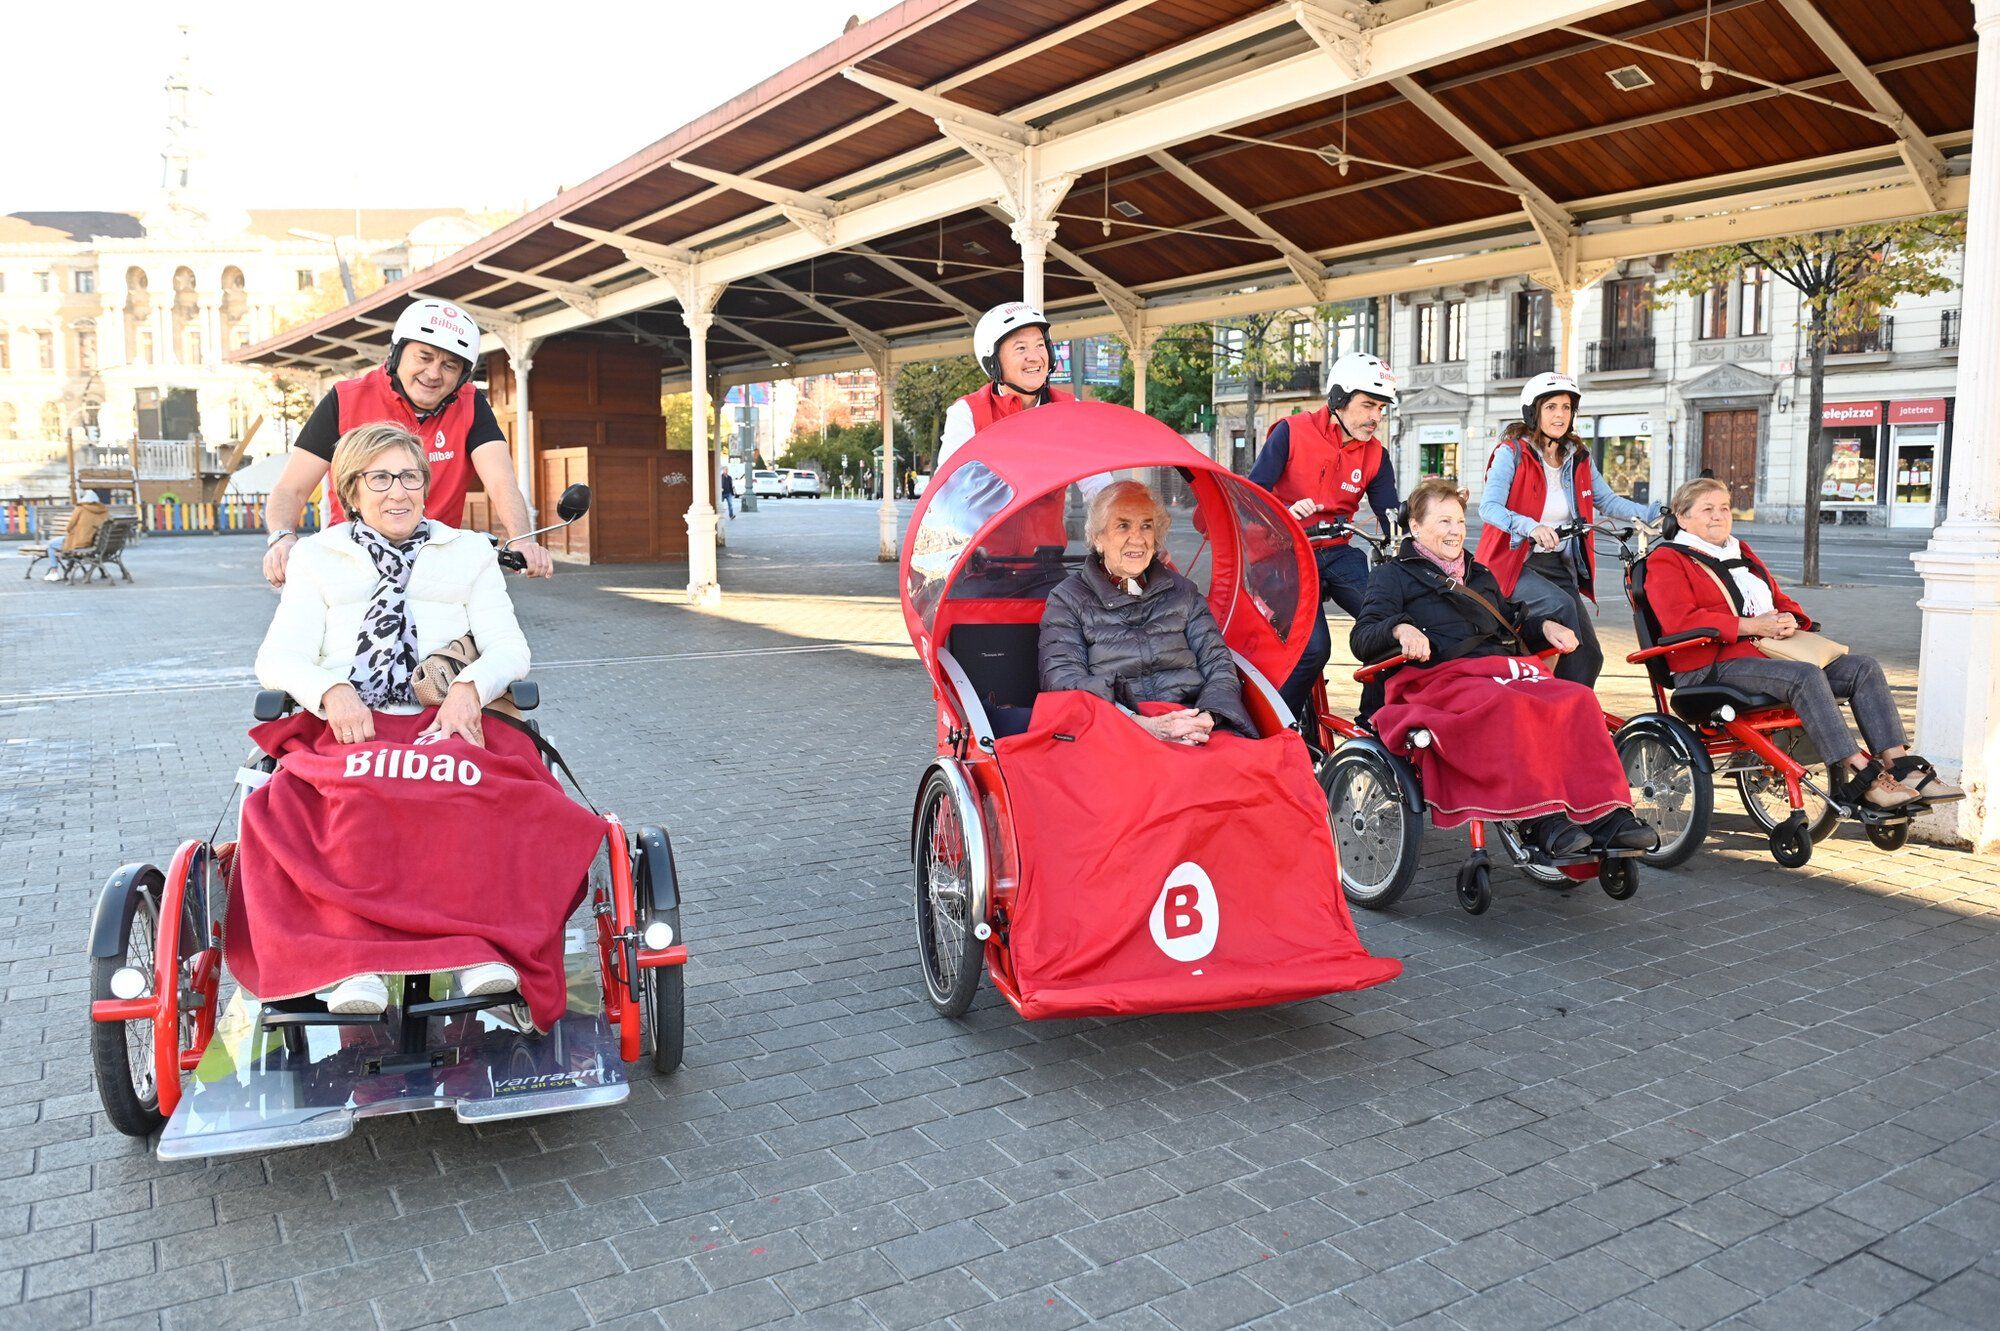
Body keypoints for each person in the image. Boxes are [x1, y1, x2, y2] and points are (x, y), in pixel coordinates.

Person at [253, 423, 533, 1015]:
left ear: (425, 486)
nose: (396, 492)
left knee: (469, 786)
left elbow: (510, 648)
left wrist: (469, 687)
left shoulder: (468, 553)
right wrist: (330, 689)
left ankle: (480, 947)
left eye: (408, 477)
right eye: (378, 479)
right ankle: (357, 959)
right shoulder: (316, 557)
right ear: (352, 491)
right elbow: (276, 658)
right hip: (353, 718)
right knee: (351, 797)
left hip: (441, 712)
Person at [1355, 478, 1655, 856]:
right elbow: (1362, 637)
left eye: (1460, 522)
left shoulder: (1477, 573)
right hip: (1437, 679)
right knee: (1508, 705)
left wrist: (1545, 625)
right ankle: (1538, 820)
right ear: (1415, 527)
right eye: (1444, 521)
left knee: (1576, 698)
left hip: (1496, 669)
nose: (1455, 531)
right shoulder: (1392, 575)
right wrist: (1399, 627)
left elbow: (1509, 621)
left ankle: (1604, 813)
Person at [1645, 477, 1961, 810]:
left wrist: (1791, 620)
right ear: (1682, 517)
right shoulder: (1667, 560)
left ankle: (1901, 766)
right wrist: (1752, 625)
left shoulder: (1739, 550)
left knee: (1862, 668)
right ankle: (1863, 775)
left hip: (1766, 653)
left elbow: (1778, 596)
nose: (1718, 516)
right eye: (1707, 509)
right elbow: (1680, 621)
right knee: (1805, 676)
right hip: (1708, 665)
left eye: (1724, 508)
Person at [262, 299, 553, 588]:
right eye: (424, 357)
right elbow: (292, 488)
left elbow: (501, 481)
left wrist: (523, 540)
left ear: (463, 375)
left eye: (450, 365)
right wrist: (282, 538)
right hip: (354, 564)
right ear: (397, 353)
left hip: (435, 565)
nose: (434, 374)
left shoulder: (471, 404)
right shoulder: (346, 398)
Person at [1476, 372, 1661, 686]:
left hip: (1559, 567)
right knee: (1559, 607)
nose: (1560, 414)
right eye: (1551, 407)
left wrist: (1653, 514)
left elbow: (1608, 501)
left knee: (1590, 655)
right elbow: (1489, 507)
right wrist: (1530, 527)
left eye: (1566, 407)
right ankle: (1541, 697)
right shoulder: (1512, 454)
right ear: (1534, 412)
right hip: (1513, 565)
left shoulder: (1578, 458)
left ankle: (1569, 712)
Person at [1038, 480, 1254, 744]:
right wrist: (1145, 726)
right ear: (1098, 539)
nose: (1137, 538)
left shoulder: (1184, 593)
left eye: (1146, 526)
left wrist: (1207, 717)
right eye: (1123, 525)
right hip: (1112, 734)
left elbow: (1218, 665)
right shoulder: (1067, 600)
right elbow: (1062, 681)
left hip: (1194, 727)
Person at [1248, 351, 1402, 718]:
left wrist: (1432, 519)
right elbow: (1251, 496)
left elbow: (1392, 514)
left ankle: (1372, 725)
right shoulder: (1291, 432)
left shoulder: (1376, 454)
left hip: (1338, 552)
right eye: (1368, 406)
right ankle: (1278, 730)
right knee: (1315, 649)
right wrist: (1283, 513)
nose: (1376, 417)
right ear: (1338, 400)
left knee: (1394, 632)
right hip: (1283, 555)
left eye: (1381, 408)